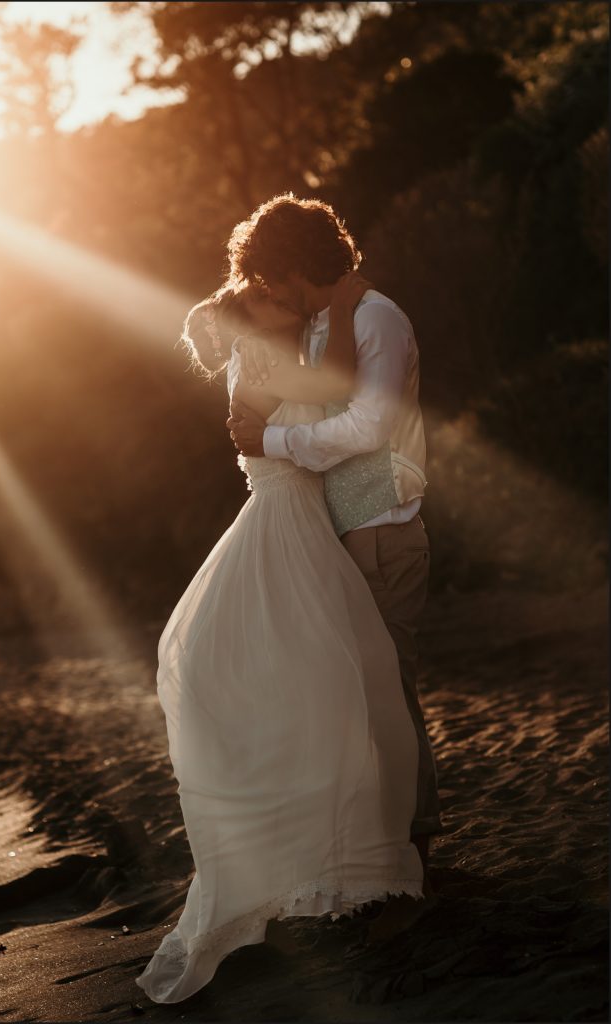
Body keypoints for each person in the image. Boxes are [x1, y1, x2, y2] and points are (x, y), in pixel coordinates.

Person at [135, 273, 424, 1005]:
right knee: (335, 679)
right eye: (268, 298)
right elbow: (341, 383)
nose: (283, 303)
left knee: (343, 679)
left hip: (303, 521)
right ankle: (343, 853)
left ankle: (360, 850)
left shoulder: (261, 357)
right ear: (251, 312)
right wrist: (333, 305)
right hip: (286, 522)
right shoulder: (259, 363)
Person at [225, 195, 442, 938]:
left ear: (292, 268)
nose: (265, 290)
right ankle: (385, 844)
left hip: (381, 526)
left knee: (389, 692)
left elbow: (368, 425)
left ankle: (414, 843)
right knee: (353, 694)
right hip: (335, 535)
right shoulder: (319, 324)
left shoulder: (374, 316)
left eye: (268, 275)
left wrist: (273, 443)